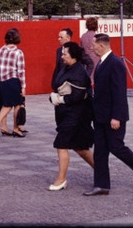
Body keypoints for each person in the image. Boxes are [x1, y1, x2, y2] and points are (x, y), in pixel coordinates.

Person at [83, 34, 133, 197]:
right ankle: (101, 185)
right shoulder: (102, 63)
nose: (91, 47)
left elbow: (119, 93)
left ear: (102, 46)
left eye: (94, 45)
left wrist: (116, 116)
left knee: (116, 147)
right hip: (101, 116)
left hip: (113, 117)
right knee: (100, 151)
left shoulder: (116, 64)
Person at [48, 42, 94, 191]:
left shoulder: (79, 73)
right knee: (80, 148)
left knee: (61, 144)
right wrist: (55, 96)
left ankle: (61, 180)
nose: (62, 57)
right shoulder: (66, 68)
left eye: (65, 54)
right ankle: (102, 172)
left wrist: (60, 99)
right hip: (65, 114)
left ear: (74, 56)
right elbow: (56, 85)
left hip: (76, 115)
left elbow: (78, 96)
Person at [0, 27, 26, 138]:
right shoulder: (18, 52)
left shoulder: (1, 50)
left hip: (2, 81)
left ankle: (2, 125)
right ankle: (13, 127)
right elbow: (21, 70)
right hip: (13, 80)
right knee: (17, 104)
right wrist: (23, 86)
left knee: (6, 103)